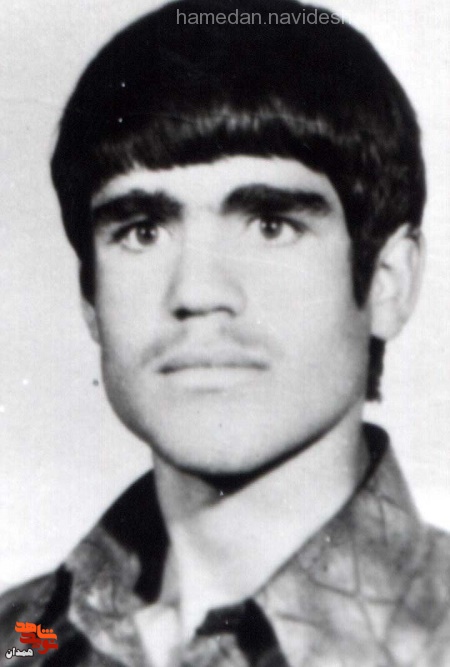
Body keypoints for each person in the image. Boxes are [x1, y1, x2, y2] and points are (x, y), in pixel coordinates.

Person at [1, 0, 449, 665]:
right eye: (142, 231)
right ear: (90, 297)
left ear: (388, 281)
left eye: (271, 225)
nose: (197, 291)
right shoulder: (23, 640)